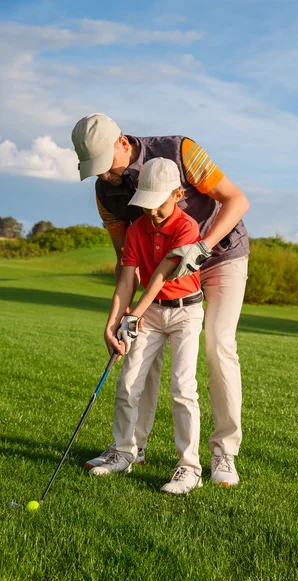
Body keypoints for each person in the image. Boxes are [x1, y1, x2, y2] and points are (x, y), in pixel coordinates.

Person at [72, 113, 249, 486]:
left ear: (122, 142)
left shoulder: (180, 151)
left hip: (220, 254)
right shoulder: (107, 192)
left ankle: (223, 454)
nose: (104, 175)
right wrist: (118, 321)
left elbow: (236, 200)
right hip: (160, 278)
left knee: (219, 345)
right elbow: (129, 266)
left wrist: (201, 246)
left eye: (106, 165)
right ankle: (131, 448)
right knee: (140, 360)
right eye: (96, 170)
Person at [92, 157, 204, 495]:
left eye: (159, 204)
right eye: (147, 204)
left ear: (178, 194)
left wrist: (133, 315)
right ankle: (126, 452)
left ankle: (189, 467)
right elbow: (127, 278)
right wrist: (112, 323)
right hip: (151, 312)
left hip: (186, 312)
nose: (152, 211)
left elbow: (160, 275)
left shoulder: (188, 227)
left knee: (183, 388)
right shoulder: (137, 228)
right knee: (129, 384)